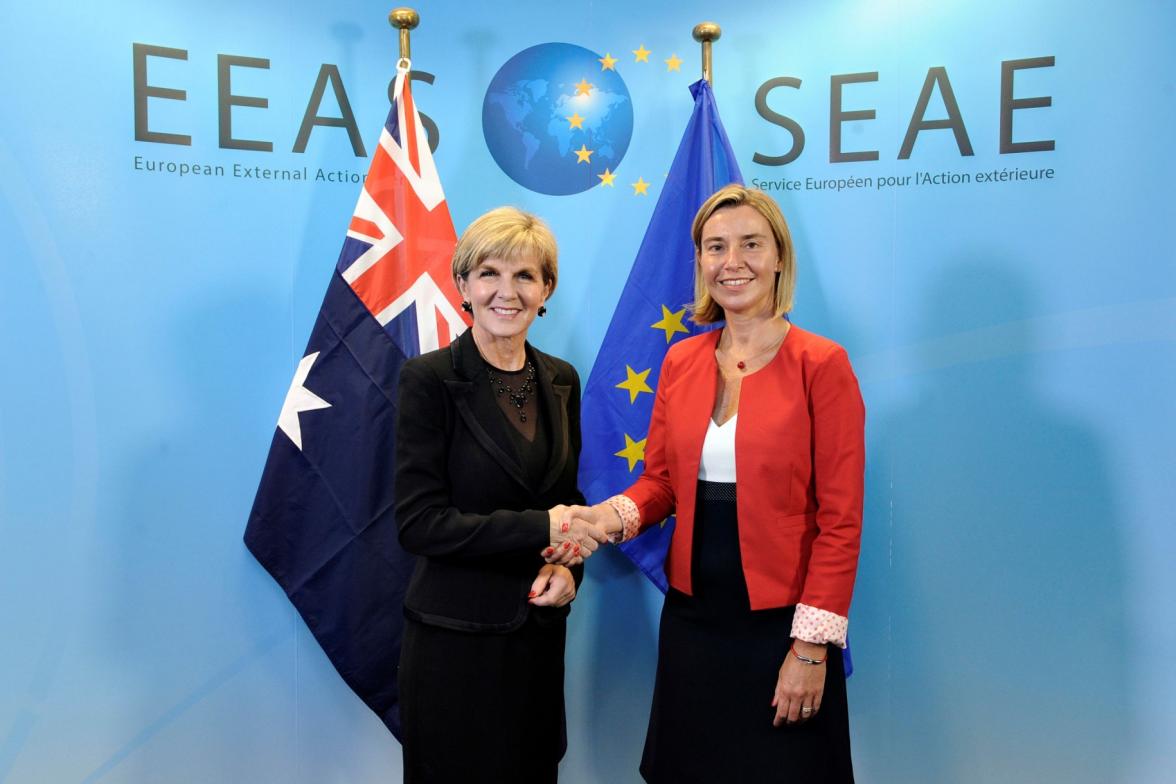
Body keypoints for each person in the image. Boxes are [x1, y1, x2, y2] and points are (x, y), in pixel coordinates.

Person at [554, 185, 865, 782]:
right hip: (694, 623)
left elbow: (842, 521)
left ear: (779, 256)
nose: (733, 261)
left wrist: (809, 649)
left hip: (782, 628)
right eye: (716, 247)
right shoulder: (683, 360)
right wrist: (607, 517)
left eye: (751, 244)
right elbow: (663, 483)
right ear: (699, 262)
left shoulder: (821, 365)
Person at [394, 207, 608, 783]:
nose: (505, 292)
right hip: (453, 647)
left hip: (536, 647)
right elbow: (419, 524)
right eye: (488, 273)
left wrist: (570, 574)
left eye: (524, 276)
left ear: (547, 289)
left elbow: (568, 500)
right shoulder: (429, 379)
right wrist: (543, 529)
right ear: (463, 285)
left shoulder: (562, 379)